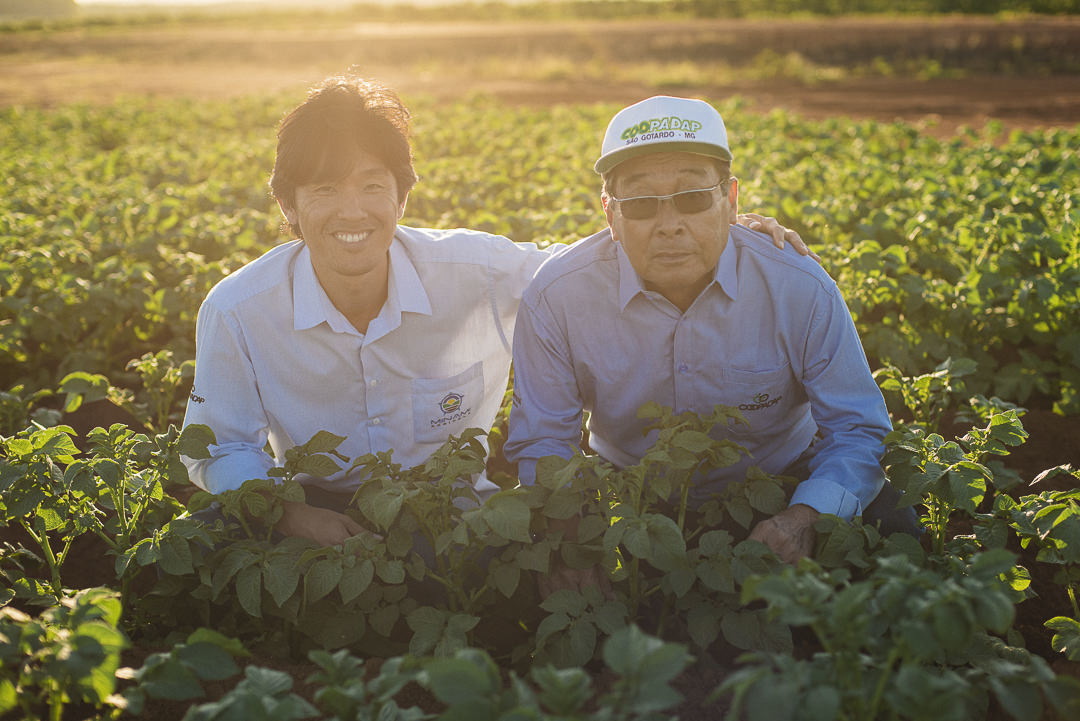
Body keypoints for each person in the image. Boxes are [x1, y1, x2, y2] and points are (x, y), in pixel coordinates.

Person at [181, 76, 811, 548]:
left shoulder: (477, 273)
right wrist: (296, 516)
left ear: (403, 197)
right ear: (289, 207)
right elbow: (216, 446)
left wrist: (721, 230)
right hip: (318, 504)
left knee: (518, 577)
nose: (353, 212)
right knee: (211, 531)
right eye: (323, 190)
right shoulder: (240, 310)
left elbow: (602, 260)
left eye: (373, 186)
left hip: (454, 514)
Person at [505, 95, 906, 569]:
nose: (669, 226)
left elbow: (857, 427)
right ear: (610, 214)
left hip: (781, 478)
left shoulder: (798, 286)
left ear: (731, 201)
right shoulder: (558, 297)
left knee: (898, 537)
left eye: (693, 198)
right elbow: (544, 442)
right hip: (631, 490)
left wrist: (804, 515)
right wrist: (569, 540)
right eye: (640, 205)